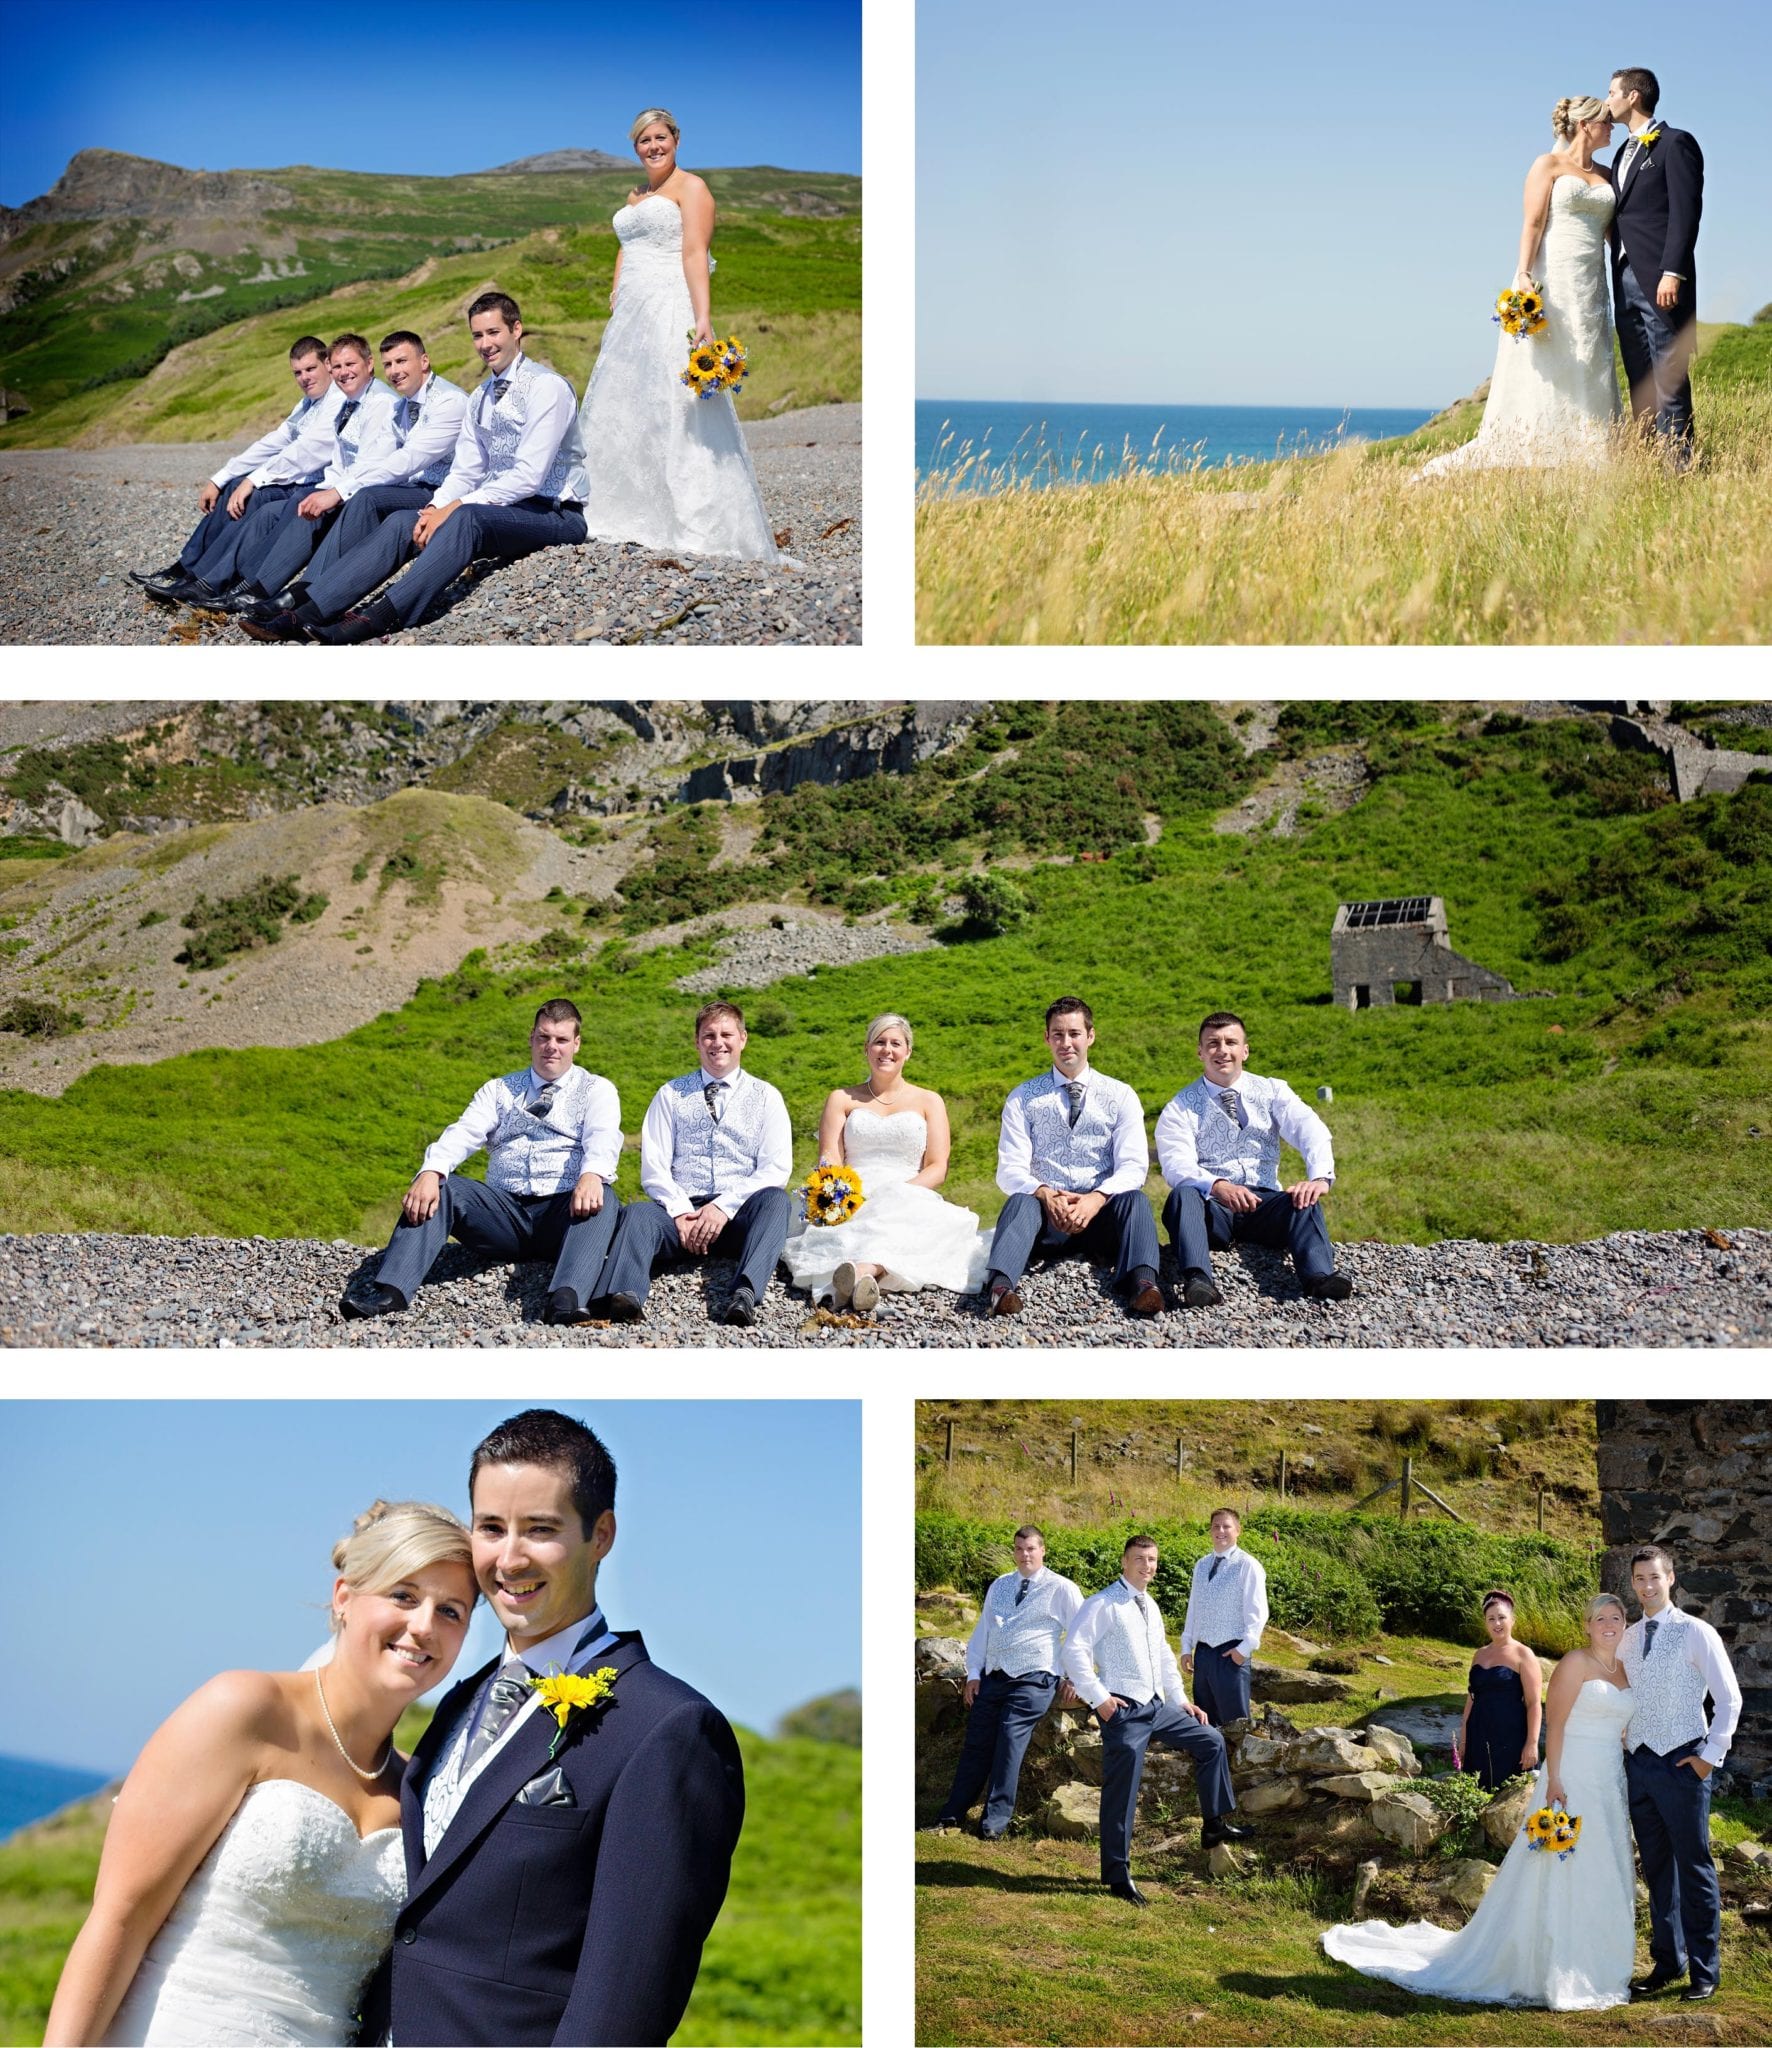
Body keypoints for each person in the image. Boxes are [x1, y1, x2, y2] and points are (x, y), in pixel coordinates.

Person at [364, 1409, 745, 2046]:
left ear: (601, 1534)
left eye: (539, 1529)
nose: (508, 1559)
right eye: (490, 1527)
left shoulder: (668, 1729)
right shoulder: (456, 1703)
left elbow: (626, 2002)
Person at [46, 1501, 477, 2046]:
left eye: (451, 1611)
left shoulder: (418, 1791)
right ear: (345, 1597)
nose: (423, 1627)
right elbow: (119, 1920)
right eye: (403, 1596)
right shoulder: (244, 1709)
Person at [1322, 1592, 1639, 2009]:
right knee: (1556, 1865)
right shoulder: (1574, 1663)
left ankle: (1599, 1960)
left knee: (1604, 1863)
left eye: (1616, 1617)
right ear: (1587, 1625)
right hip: (1572, 1778)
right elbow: (1555, 1725)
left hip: (1610, 1780)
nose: (1609, 1624)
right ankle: (1546, 1961)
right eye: (1600, 1618)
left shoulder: (1629, 1666)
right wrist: (1554, 1778)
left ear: (1625, 1623)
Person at [245, 292, 589, 644]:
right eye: (477, 335)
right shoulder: (480, 396)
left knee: (467, 518)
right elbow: (467, 472)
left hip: (554, 511)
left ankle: (375, 618)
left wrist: (453, 508)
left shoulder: (548, 387)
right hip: (502, 507)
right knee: (400, 521)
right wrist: (435, 507)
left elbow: (529, 477)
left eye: (493, 332)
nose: (485, 344)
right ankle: (308, 612)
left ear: (516, 330)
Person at [339, 999, 622, 1326]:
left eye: (561, 1040)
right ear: (531, 1038)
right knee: (443, 1187)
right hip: (504, 1215)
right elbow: (465, 1131)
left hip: (563, 1213)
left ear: (576, 1044)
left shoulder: (597, 1090)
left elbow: (603, 1137)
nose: (551, 1048)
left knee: (604, 1196)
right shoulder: (498, 1089)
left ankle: (566, 1298)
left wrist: (592, 1174)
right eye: (544, 1037)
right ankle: (391, 1293)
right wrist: (432, 1170)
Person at [577, 108, 778, 560]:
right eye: (644, 141)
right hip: (632, 311)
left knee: (675, 403)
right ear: (636, 148)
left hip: (671, 305)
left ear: (676, 139)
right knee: (630, 400)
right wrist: (616, 291)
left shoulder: (693, 188)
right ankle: (624, 509)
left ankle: (695, 520)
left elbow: (693, 252)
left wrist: (702, 317)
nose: (653, 146)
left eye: (660, 138)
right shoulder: (637, 195)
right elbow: (627, 246)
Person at [1415, 97, 1621, 478]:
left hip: (1591, 279)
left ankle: (1590, 449)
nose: (1613, 126)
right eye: (1606, 120)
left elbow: (1613, 233)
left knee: (1592, 356)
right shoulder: (1548, 165)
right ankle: (1539, 447)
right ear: (1585, 125)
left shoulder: (1608, 174)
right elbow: (1533, 223)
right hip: (1551, 274)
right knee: (1548, 357)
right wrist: (1524, 274)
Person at [228, 329, 468, 622]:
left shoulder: (448, 402)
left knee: (364, 498)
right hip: (414, 486)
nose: (394, 371)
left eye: (401, 361)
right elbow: (379, 458)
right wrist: (337, 489)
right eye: (389, 364)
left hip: (444, 491)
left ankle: (310, 594)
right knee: (331, 500)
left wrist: (340, 492)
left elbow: (409, 459)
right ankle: (295, 590)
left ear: (424, 361)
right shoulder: (402, 406)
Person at [1063, 1535, 1247, 1906]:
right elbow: (1073, 1650)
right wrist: (1100, 1700)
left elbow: (1163, 1656)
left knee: (1210, 1741)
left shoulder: (1151, 1605)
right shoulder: (1103, 1603)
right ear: (1124, 1562)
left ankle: (1213, 1825)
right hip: (1123, 1710)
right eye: (1140, 1559)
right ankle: (1117, 1874)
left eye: (1152, 1560)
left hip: (1156, 1706)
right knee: (1122, 1790)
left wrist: (1181, 1701)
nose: (1147, 1566)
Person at [159, 334, 398, 610]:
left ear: (369, 364)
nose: (343, 373)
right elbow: (325, 456)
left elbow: (359, 462)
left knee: (288, 500)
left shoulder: (379, 402)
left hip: (364, 491)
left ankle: (257, 588)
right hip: (339, 484)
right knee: (265, 515)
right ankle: (211, 581)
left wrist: (324, 491)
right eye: (338, 366)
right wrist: (226, 475)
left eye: (349, 364)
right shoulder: (346, 401)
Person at [593, 1000, 792, 1327]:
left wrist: (723, 1208)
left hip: (738, 1216)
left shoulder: (767, 1096)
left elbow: (776, 1168)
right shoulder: (670, 1093)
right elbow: (654, 1165)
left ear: (743, 1039)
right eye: (709, 1035)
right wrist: (681, 1212)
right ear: (697, 1042)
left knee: (775, 1201)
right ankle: (625, 1294)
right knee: (638, 1213)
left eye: (726, 1034)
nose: (718, 1043)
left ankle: (744, 1293)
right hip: (682, 1218)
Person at [781, 1012, 992, 1311]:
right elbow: (830, 1157)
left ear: (908, 1051)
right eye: (879, 1042)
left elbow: (937, 1166)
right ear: (866, 1049)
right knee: (856, 1226)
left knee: (899, 1217)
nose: (887, 1050)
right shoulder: (841, 1098)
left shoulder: (929, 1101)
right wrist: (843, 1194)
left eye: (896, 1043)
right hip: (854, 1190)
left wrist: (899, 1192)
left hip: (910, 1187)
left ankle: (862, 1272)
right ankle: (865, 1278)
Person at [1156, 1011, 1353, 1307]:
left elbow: (1310, 1129)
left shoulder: (1273, 1090)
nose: (1222, 1050)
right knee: (1182, 1196)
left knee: (1303, 1199)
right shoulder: (1179, 1107)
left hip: (1264, 1204)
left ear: (1244, 1050)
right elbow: (1175, 1164)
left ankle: (1319, 1277)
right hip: (1213, 1210)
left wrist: (1320, 1177)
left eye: (1231, 1042)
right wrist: (1218, 1186)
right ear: (1200, 1052)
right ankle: (1198, 1280)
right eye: (1212, 1043)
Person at [986, 997, 1163, 1318]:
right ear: (1046, 1038)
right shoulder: (1022, 1097)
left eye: (1074, 1034)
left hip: (1101, 1218)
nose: (1066, 1043)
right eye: (1057, 1034)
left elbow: (1134, 1165)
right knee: (1019, 1201)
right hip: (1045, 1220)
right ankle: (1001, 1288)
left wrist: (1096, 1198)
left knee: (1135, 1200)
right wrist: (1044, 1193)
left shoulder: (1121, 1094)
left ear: (1090, 1036)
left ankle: (1144, 1285)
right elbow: (1009, 1169)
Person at [1620, 1544, 1742, 2004]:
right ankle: (1668, 1962)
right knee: (1656, 1871)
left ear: (1670, 1579)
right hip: (1641, 1765)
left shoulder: (1697, 1632)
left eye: (1655, 1577)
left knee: (1694, 1868)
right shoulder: (1628, 1637)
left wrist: (1710, 1755)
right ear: (1632, 1584)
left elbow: (1729, 1699)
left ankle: (1705, 1969)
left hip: (1684, 1763)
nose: (1647, 1586)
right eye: (1639, 1578)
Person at [130, 335, 340, 600]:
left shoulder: (338, 400)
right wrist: (221, 477)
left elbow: (306, 452)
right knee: (231, 487)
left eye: (310, 369)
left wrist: (254, 480)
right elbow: (273, 441)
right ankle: (185, 570)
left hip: (314, 486)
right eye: (297, 372)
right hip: (296, 481)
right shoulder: (307, 404)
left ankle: (205, 580)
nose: (304, 377)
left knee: (254, 494)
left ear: (328, 364)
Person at [931, 1527, 1083, 1839]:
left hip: (1035, 1677)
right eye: (1018, 1549)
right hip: (995, 1675)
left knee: (1010, 1738)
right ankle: (950, 1816)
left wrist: (1076, 1677)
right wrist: (974, 1674)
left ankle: (993, 1825)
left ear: (1043, 1550)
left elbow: (1083, 1636)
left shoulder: (1062, 1589)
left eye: (1030, 1548)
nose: (1024, 1555)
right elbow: (982, 1632)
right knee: (976, 1743)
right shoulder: (1000, 1585)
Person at [1606, 68, 1704, 468]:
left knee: (1669, 376)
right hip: (1623, 277)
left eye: (1611, 91)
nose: (1606, 99)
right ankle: (1649, 461)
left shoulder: (1675, 144)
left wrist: (1672, 271)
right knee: (1640, 377)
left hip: (1661, 278)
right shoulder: (1620, 152)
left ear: (1632, 96)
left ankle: (1679, 467)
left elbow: (1686, 213)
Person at [1180, 1508, 1269, 1727]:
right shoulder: (1201, 1565)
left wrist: (1244, 1650)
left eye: (1226, 1526)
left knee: (1235, 1722)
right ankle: (1214, 1761)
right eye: (1216, 1526)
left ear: (1238, 1530)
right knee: (1206, 1720)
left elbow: (1258, 1613)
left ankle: (1240, 1761)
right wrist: (1186, 1647)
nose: (1221, 1531)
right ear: (1210, 1531)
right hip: (1203, 1653)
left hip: (1231, 1652)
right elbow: (1194, 1608)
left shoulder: (1248, 1565)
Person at [1458, 1589, 1544, 1790]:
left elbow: (1533, 1704)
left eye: (1501, 1617)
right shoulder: (1479, 1654)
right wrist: (1463, 1739)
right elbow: (1471, 1698)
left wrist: (1531, 1743)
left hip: (1510, 1737)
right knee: (1476, 1793)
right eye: (1491, 1619)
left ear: (1512, 1620)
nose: (1497, 1623)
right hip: (1478, 1734)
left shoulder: (1524, 1654)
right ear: (1485, 1622)